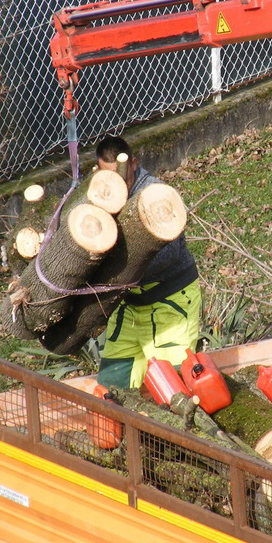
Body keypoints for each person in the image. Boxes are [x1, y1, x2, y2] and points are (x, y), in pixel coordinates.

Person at [94, 135, 201, 389]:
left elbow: (168, 254)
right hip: (129, 305)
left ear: (134, 163)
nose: (118, 186)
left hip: (170, 303)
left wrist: (120, 270)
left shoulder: (156, 195)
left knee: (173, 388)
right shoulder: (98, 197)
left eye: (123, 177)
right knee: (111, 386)